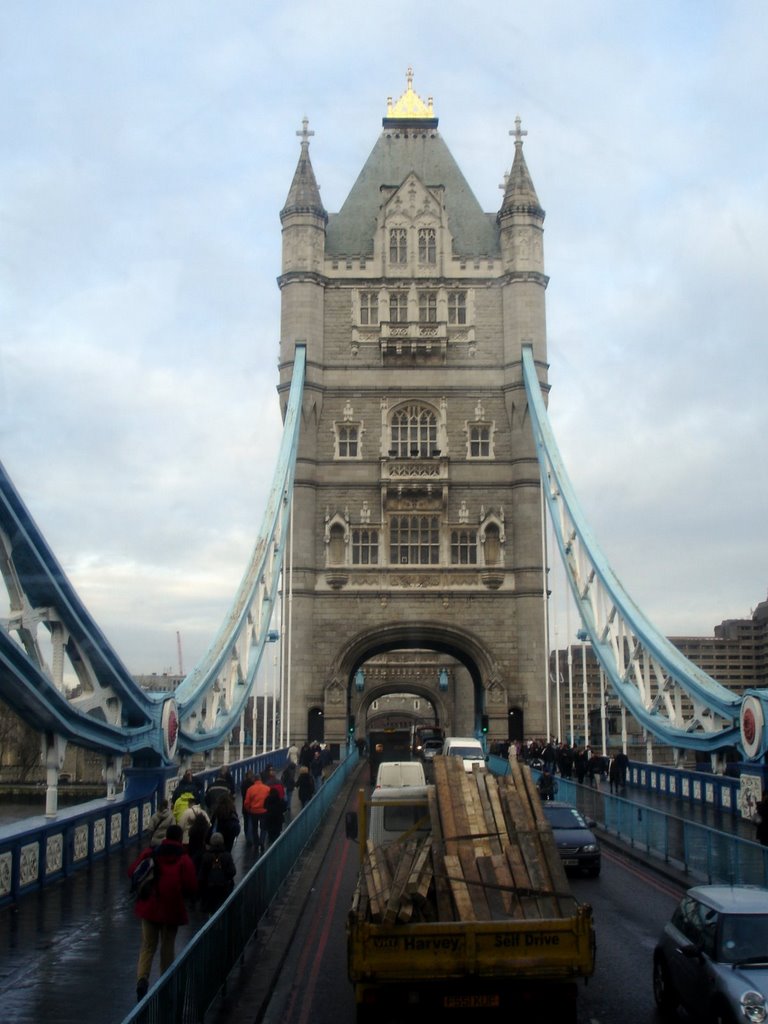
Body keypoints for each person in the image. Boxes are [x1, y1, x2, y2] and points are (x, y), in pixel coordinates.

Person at [129, 823, 197, 1002]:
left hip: (150, 906)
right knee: (167, 946)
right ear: (180, 838)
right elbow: (191, 884)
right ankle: (165, 982)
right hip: (171, 908)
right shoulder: (183, 859)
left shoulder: (152, 853)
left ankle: (142, 980)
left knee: (148, 946)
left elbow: (132, 871)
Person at [197, 832, 236, 916]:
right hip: (224, 886)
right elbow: (232, 871)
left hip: (209, 887)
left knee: (211, 909)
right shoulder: (227, 856)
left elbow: (201, 875)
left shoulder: (206, 856)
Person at [178, 797, 211, 871]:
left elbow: (180, 826)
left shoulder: (186, 812)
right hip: (201, 841)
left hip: (186, 841)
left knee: (187, 859)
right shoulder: (202, 812)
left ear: (190, 804)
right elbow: (209, 824)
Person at [243, 771, 270, 853]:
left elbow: (246, 802)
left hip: (253, 811)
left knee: (254, 829)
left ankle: (256, 843)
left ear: (254, 780)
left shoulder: (250, 789)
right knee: (263, 828)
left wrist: (249, 809)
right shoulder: (267, 788)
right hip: (263, 811)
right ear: (261, 779)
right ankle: (262, 842)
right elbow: (269, 800)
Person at [264, 779, 287, 847]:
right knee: (277, 833)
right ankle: (276, 845)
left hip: (269, 819)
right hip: (278, 819)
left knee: (270, 833)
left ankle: (270, 844)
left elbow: (264, 806)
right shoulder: (279, 799)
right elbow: (284, 808)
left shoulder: (267, 799)